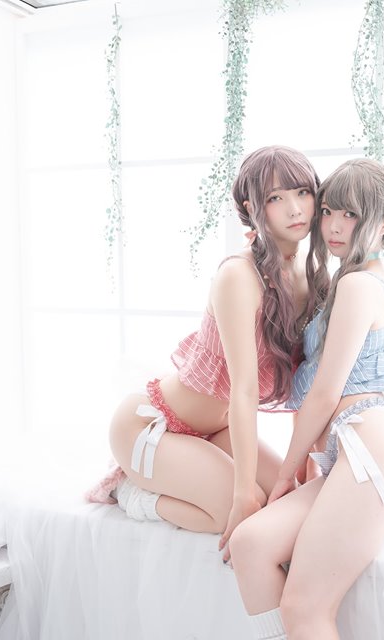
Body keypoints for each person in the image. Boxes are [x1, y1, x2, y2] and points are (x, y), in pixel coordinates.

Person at [228, 158, 384, 640]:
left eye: (351, 215)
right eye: (329, 211)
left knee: (305, 607)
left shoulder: (358, 284)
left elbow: (323, 395)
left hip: (373, 451)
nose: (335, 226)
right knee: (250, 544)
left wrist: (284, 476)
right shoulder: (352, 279)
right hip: (356, 453)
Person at [97, 145, 320, 548]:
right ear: (253, 208)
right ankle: (130, 494)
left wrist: (304, 472)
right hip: (152, 427)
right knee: (233, 511)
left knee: (288, 501)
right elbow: (243, 390)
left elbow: (307, 386)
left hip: (218, 429)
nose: (294, 208)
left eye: (302, 192)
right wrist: (242, 494)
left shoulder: (310, 276)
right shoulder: (239, 276)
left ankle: (189, 476)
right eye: (276, 198)